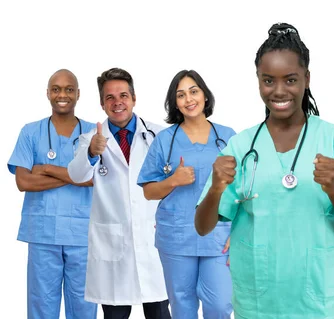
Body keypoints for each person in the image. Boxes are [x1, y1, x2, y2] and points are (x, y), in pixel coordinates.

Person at [194, 22, 334, 319]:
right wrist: (215, 188)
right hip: (258, 303)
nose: (279, 91)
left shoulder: (333, 140)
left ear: (306, 79)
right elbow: (202, 227)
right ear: (258, 81)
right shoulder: (241, 146)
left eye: (290, 80)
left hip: (317, 300)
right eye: (268, 81)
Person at [67, 68, 170, 318]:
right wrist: (92, 152)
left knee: (159, 310)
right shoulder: (89, 139)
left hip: (153, 241)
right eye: (110, 97)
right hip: (111, 247)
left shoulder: (160, 135)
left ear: (134, 98)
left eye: (123, 95)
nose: (117, 102)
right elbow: (76, 175)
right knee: (114, 313)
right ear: (102, 103)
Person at [137, 69, 236, 318]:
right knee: (182, 306)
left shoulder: (227, 137)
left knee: (221, 304)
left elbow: (243, 190)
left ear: (204, 95)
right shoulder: (164, 140)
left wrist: (239, 231)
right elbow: (149, 191)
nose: (188, 99)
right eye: (181, 95)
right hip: (177, 237)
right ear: (175, 103)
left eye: (194, 91)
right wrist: (173, 180)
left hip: (218, 237)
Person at [8, 69, 97, 319]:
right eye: (56, 89)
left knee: (84, 306)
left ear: (78, 94)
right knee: (41, 305)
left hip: (83, 235)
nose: (62, 94)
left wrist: (46, 169)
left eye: (69, 89)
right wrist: (74, 176)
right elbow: (23, 181)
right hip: (42, 233)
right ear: (48, 93)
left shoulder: (93, 133)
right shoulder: (30, 132)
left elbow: (95, 179)